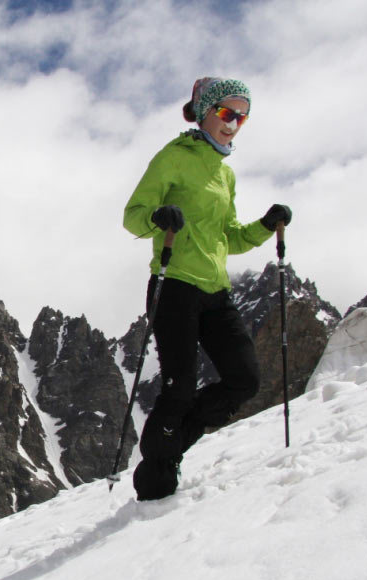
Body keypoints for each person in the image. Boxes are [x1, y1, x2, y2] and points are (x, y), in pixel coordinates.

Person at [122, 77, 292, 501]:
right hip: (174, 285)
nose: (234, 123)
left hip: (215, 291)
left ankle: (170, 445)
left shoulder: (225, 173)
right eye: (225, 113)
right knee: (178, 387)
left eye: (241, 116)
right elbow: (133, 216)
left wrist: (264, 226)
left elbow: (229, 237)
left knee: (244, 380)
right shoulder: (174, 157)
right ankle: (155, 486)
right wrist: (159, 217)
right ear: (205, 113)